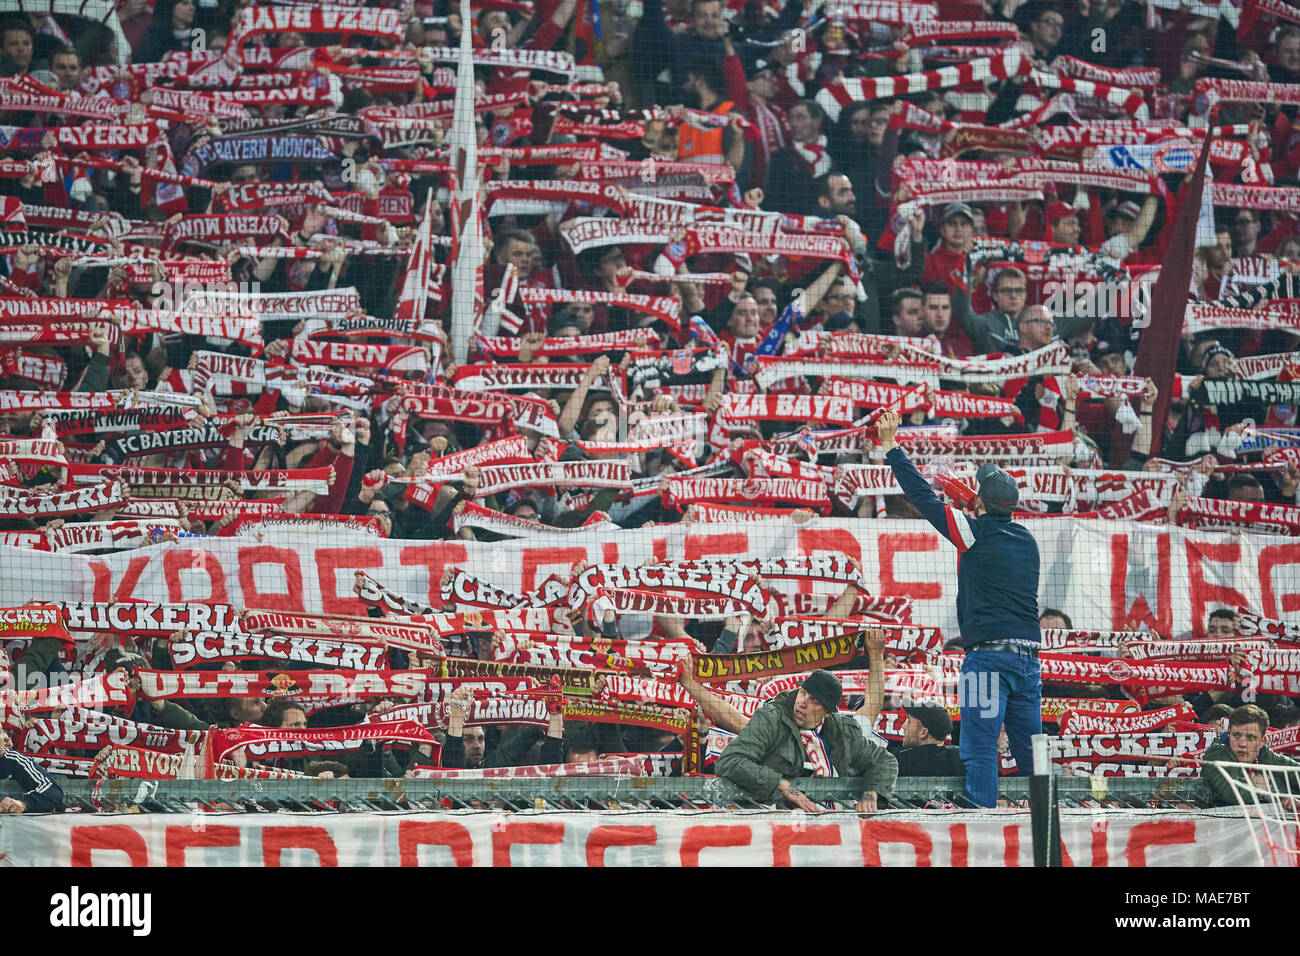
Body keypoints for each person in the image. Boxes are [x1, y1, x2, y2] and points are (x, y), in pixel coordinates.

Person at [878, 407, 1042, 808]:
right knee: (1033, 754)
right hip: (1029, 663)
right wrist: (976, 500)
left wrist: (890, 446)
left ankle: (981, 823)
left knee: (979, 746)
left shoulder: (974, 532)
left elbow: (921, 496)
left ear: (981, 503)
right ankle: (1044, 819)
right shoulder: (1026, 539)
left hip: (988, 661)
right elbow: (990, 515)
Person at [713, 669, 898, 811]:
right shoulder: (770, 718)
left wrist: (871, 794)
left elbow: (885, 760)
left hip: (831, 828)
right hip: (775, 822)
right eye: (802, 693)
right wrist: (781, 784)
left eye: (814, 701)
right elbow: (730, 761)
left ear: (827, 712)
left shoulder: (844, 731)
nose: (802, 702)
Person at [1200, 705, 1300, 807]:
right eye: (1236, 735)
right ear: (1229, 734)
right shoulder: (1217, 752)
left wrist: (1287, 798)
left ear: (1262, 742)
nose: (1242, 744)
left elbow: (1296, 772)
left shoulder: (1263, 754)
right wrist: (1259, 789)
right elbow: (1232, 794)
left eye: (1250, 737)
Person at [0, 727, 64, 813]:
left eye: (2, 731)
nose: (5, 737)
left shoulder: (14, 760)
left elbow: (53, 791)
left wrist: (22, 804)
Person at [895, 705, 966, 777]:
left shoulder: (901, 760)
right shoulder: (962, 759)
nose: (903, 726)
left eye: (909, 722)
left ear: (923, 732)